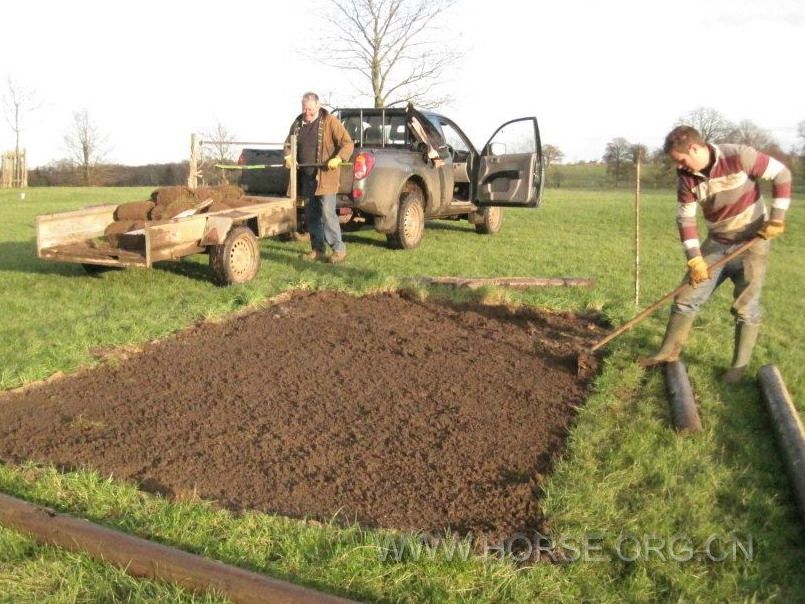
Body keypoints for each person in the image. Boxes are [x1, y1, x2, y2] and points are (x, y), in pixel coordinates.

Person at [640, 125, 791, 383]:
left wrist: (776, 219)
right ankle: (667, 353)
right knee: (686, 298)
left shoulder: (739, 156)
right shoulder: (687, 178)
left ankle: (737, 369)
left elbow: (782, 174)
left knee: (746, 307)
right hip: (717, 242)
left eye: (681, 159)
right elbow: (685, 219)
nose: (680, 166)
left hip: (753, 242)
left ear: (695, 148)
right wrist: (695, 258)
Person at [284, 92, 354, 263]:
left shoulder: (330, 121)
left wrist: (338, 158)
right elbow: (288, 144)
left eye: (310, 109)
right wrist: (288, 156)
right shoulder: (298, 123)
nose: (306, 112)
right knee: (311, 214)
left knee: (327, 213)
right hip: (306, 177)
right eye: (304, 108)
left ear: (317, 106)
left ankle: (338, 249)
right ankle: (317, 249)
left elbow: (347, 143)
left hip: (326, 177)